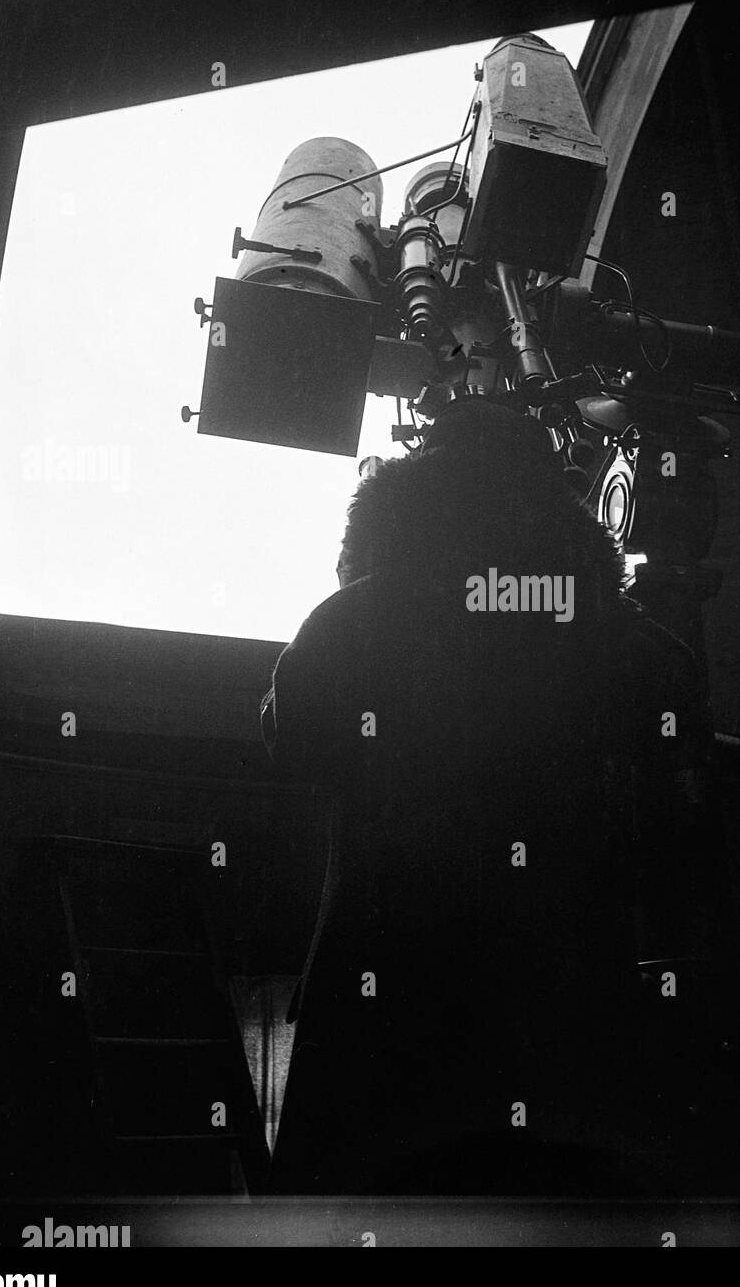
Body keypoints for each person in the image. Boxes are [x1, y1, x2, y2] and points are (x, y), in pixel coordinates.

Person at [261, 406, 707, 1193]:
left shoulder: (355, 617)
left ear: (407, 498)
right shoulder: (597, 620)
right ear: (552, 500)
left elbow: (290, 734)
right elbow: (679, 714)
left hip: (379, 998)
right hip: (562, 1005)